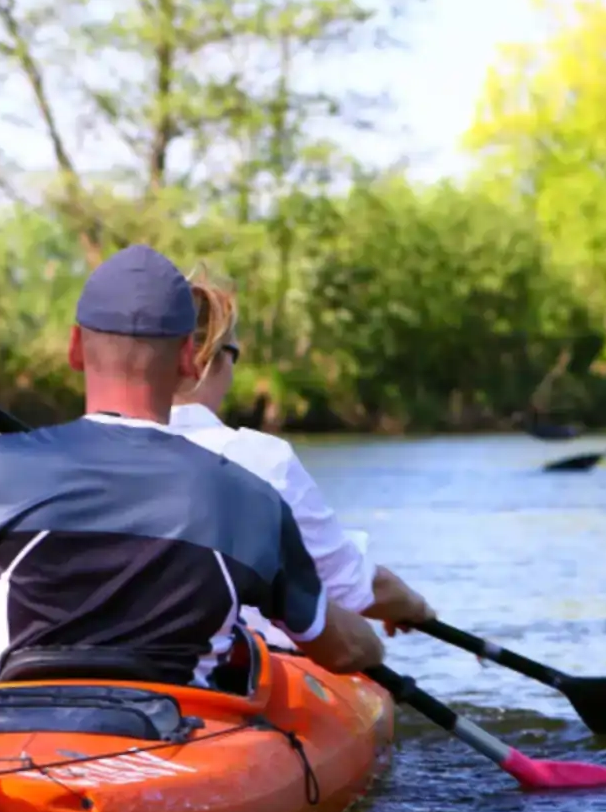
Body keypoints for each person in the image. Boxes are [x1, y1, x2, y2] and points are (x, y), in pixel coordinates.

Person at [0, 244, 388, 687]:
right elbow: (342, 650)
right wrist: (371, 643)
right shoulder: (249, 499)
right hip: (173, 741)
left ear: (75, 349)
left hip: (4, 744)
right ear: (190, 359)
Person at [168, 268, 435, 648]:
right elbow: (346, 584)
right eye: (234, 353)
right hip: (244, 674)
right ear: (211, 358)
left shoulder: (94, 454)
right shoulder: (259, 457)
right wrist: (415, 606)